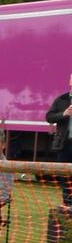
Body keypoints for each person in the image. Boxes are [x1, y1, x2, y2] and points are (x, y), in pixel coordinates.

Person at [47, 71, 72, 206]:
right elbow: (49, 117)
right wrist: (64, 113)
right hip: (64, 144)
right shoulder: (61, 99)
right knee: (65, 176)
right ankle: (67, 205)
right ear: (70, 81)